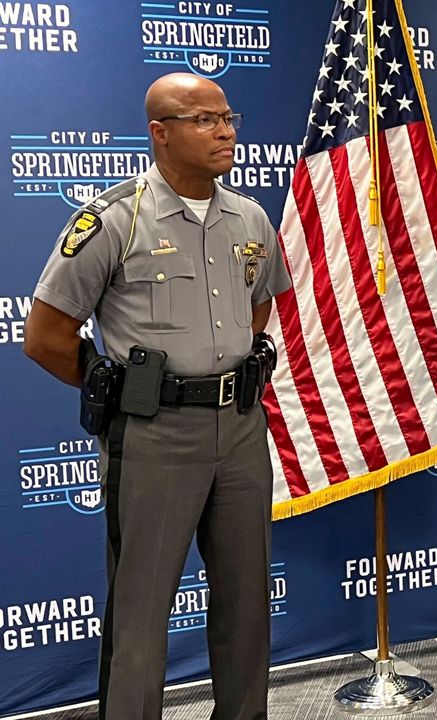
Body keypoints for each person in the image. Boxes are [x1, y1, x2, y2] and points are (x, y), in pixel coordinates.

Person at [23, 73, 290, 719]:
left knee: (246, 603)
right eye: (203, 119)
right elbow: (46, 335)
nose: (224, 131)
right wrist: (129, 389)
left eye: (228, 117)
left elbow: (260, 307)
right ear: (160, 132)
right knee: (141, 611)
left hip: (241, 428)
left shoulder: (249, 216)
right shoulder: (114, 219)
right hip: (154, 436)